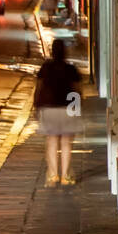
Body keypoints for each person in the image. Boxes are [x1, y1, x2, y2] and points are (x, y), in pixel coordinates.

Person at [35, 38, 84, 186]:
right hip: (67, 108)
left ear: (52, 51)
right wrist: (77, 109)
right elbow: (77, 91)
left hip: (48, 108)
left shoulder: (45, 68)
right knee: (66, 142)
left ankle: (53, 175)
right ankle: (65, 176)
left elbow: (38, 88)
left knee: (51, 140)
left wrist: (36, 107)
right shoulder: (71, 69)